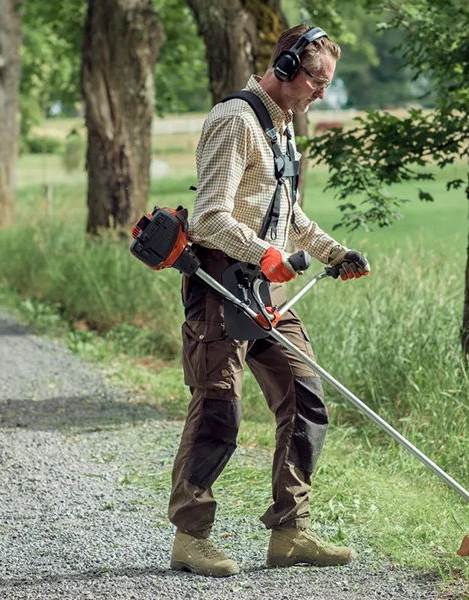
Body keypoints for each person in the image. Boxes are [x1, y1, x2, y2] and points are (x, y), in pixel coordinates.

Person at [168, 23, 371, 578]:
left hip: (266, 289)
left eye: (327, 83)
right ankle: (191, 536)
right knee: (219, 410)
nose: (321, 93)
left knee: (305, 399)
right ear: (284, 67)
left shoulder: (283, 128)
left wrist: (333, 252)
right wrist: (264, 255)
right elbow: (210, 216)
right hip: (219, 287)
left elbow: (290, 215)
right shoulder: (234, 120)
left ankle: (290, 532)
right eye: (315, 80)